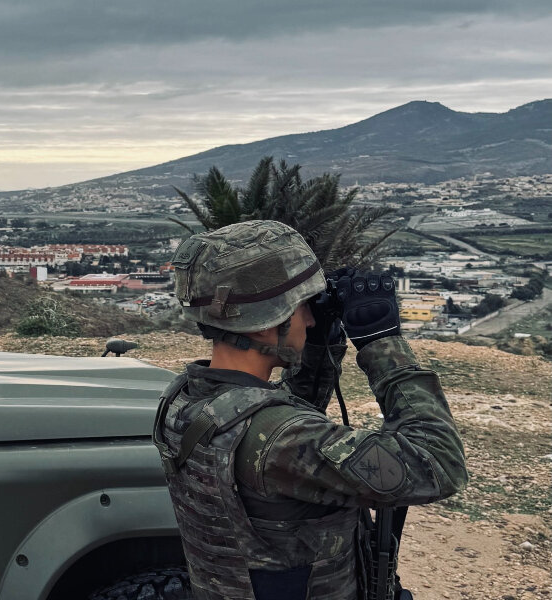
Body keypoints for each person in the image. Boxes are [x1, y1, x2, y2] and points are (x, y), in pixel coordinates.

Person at [153, 221, 467, 600]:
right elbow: (440, 465)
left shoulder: (185, 399)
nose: (311, 318)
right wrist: (383, 345)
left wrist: (317, 347)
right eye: (301, 307)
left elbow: (275, 417)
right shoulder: (283, 439)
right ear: (262, 327)